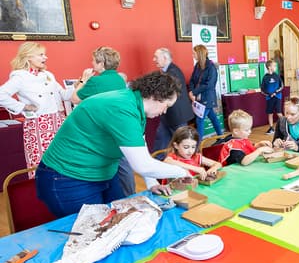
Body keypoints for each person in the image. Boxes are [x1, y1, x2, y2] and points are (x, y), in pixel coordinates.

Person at [35, 72, 190, 217]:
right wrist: (182, 171)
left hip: (102, 173)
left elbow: (139, 151)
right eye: (167, 106)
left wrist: (150, 182)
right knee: (90, 230)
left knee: (119, 218)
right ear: (156, 97)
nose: (164, 112)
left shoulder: (133, 105)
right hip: (68, 177)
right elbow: (142, 165)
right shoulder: (123, 108)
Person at [69, 46, 135, 196]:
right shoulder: (118, 78)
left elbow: (74, 98)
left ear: (101, 63)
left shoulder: (96, 81)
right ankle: (130, 194)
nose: (92, 63)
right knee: (123, 164)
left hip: (101, 129)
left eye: (94, 60)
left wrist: (82, 80)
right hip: (119, 126)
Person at [0, 42, 73, 175]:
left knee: (62, 159)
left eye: (44, 54)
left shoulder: (48, 75)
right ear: (28, 57)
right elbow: (1, 95)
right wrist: (23, 107)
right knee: (42, 161)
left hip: (58, 121)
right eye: (40, 55)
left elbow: (64, 95)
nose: (45, 57)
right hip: (38, 125)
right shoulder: (20, 76)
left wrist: (80, 83)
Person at [152, 47, 194, 153]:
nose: (154, 59)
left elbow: (168, 93)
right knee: (161, 138)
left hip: (176, 115)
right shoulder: (168, 70)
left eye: (156, 57)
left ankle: (190, 164)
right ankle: (158, 161)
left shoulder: (173, 72)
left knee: (184, 143)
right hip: (168, 115)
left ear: (165, 58)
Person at [189, 44, 223, 141]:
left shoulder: (211, 67)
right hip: (199, 97)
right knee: (212, 117)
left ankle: (198, 145)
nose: (192, 55)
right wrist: (192, 92)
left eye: (194, 53)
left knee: (199, 120)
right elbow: (192, 80)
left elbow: (209, 85)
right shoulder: (197, 65)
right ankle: (220, 137)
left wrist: (194, 92)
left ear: (199, 54)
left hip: (207, 98)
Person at [260, 59, 283, 134]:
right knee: (270, 113)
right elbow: (262, 89)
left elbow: (281, 86)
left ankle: (286, 125)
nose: (275, 67)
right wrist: (269, 94)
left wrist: (275, 92)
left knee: (279, 113)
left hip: (277, 97)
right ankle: (271, 128)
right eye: (274, 66)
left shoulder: (277, 76)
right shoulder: (265, 77)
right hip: (269, 98)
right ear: (269, 67)